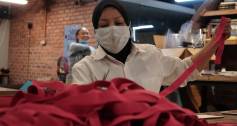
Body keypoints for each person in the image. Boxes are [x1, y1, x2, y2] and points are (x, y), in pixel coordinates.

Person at [71, 0, 231, 92]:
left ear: (128, 26)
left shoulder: (151, 55)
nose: (112, 29)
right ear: (96, 31)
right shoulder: (84, 70)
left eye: (118, 23)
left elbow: (187, 69)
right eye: (104, 25)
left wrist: (215, 42)